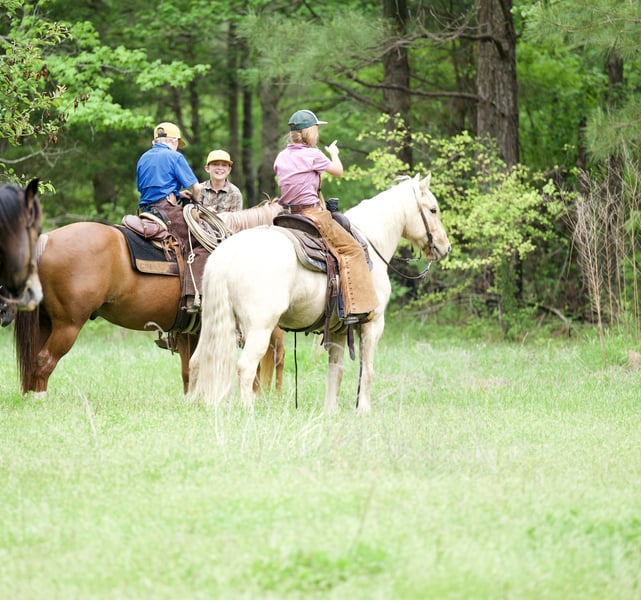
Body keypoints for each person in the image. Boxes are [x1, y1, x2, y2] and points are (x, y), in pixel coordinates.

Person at [273, 109, 378, 324]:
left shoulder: (281, 156)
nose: (318, 133)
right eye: (316, 129)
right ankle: (355, 309)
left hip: (286, 214)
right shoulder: (313, 155)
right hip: (312, 214)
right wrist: (334, 153)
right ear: (309, 132)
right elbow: (338, 171)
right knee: (353, 250)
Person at [136, 121, 206, 313]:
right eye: (177, 143)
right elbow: (197, 188)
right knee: (203, 242)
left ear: (154, 141)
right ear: (173, 141)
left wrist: (176, 192)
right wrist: (195, 205)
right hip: (166, 211)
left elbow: (147, 188)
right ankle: (193, 295)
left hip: (146, 211)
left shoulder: (143, 158)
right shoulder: (175, 156)